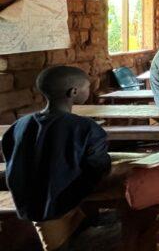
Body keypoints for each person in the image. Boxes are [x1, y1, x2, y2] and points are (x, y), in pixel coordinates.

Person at [2, 66, 111, 250]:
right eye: (87, 87)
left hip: (27, 201)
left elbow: (11, 157)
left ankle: (81, 225)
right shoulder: (86, 128)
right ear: (73, 92)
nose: (89, 90)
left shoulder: (19, 125)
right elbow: (98, 167)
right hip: (61, 201)